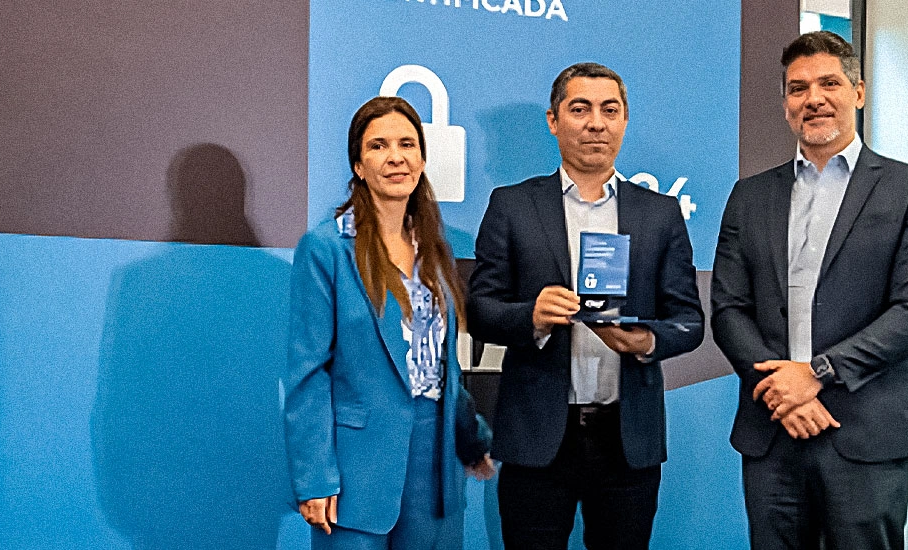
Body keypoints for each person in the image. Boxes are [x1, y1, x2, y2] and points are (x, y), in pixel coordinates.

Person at [711, 31, 908, 550]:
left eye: (829, 84)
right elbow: (729, 308)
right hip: (773, 428)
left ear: (858, 92)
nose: (813, 99)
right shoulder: (750, 195)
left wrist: (817, 374)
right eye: (798, 88)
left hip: (866, 432)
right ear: (784, 104)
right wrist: (783, 391)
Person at [468, 62, 704, 549]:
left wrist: (646, 341)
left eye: (609, 110)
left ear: (624, 120)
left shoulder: (660, 214)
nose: (596, 123)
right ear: (554, 121)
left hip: (627, 440)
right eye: (580, 109)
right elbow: (481, 310)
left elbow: (689, 320)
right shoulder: (512, 205)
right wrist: (531, 317)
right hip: (537, 438)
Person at [284, 96, 495, 550]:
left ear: (422, 158)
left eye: (407, 144)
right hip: (356, 469)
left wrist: (471, 436)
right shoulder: (326, 249)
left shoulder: (433, 249)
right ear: (358, 166)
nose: (396, 157)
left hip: (436, 464)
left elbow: (441, 367)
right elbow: (308, 374)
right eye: (378, 146)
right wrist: (315, 477)